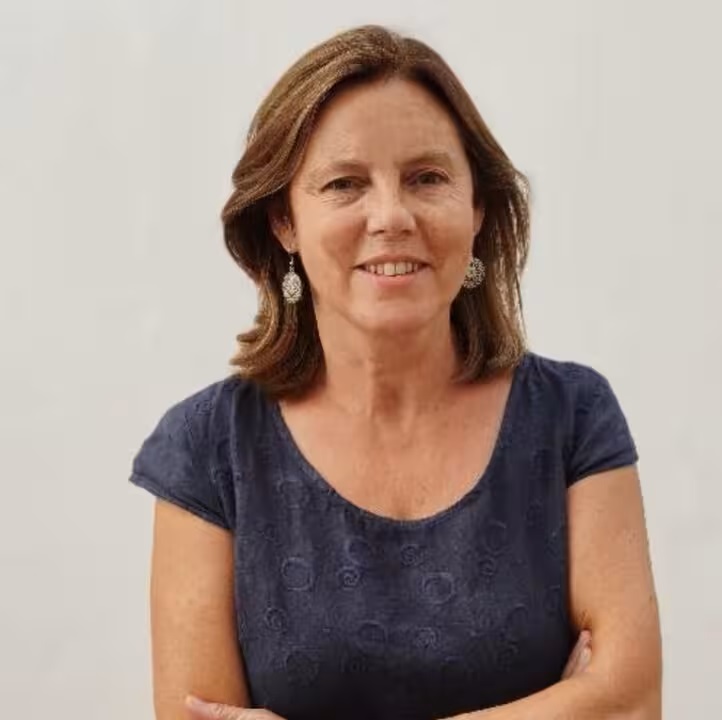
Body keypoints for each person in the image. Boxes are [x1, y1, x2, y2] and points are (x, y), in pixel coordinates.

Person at [129, 24, 662, 720]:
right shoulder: (207, 449)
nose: (391, 215)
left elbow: (630, 705)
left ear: (477, 208)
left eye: (426, 178)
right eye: (344, 184)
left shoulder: (573, 417)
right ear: (284, 221)